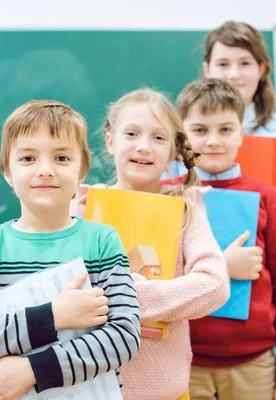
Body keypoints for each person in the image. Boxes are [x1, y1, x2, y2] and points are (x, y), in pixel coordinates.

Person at [0, 100, 141, 399]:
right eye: (27, 158)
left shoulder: (102, 242)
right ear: (7, 171)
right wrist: (54, 317)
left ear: (81, 170)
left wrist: (33, 370)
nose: (45, 170)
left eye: (61, 158)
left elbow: (124, 337)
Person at [73, 88, 230, 400]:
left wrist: (124, 298)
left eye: (158, 138)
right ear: (110, 140)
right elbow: (71, 291)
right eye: (132, 133)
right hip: (92, 387)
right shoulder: (83, 206)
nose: (144, 147)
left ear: (174, 150)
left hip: (167, 390)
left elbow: (215, 285)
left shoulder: (187, 206)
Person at [176, 77, 276, 400]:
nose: (213, 141)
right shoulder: (171, 196)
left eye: (225, 129)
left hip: (255, 366)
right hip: (184, 362)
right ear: (183, 137)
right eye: (200, 130)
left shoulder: (266, 196)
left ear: (241, 133)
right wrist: (222, 265)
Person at [163, 21, 276, 248]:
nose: (234, 74)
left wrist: (249, 224)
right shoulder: (183, 131)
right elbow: (162, 203)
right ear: (208, 70)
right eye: (223, 64)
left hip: (261, 264)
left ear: (262, 68)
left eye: (245, 63)